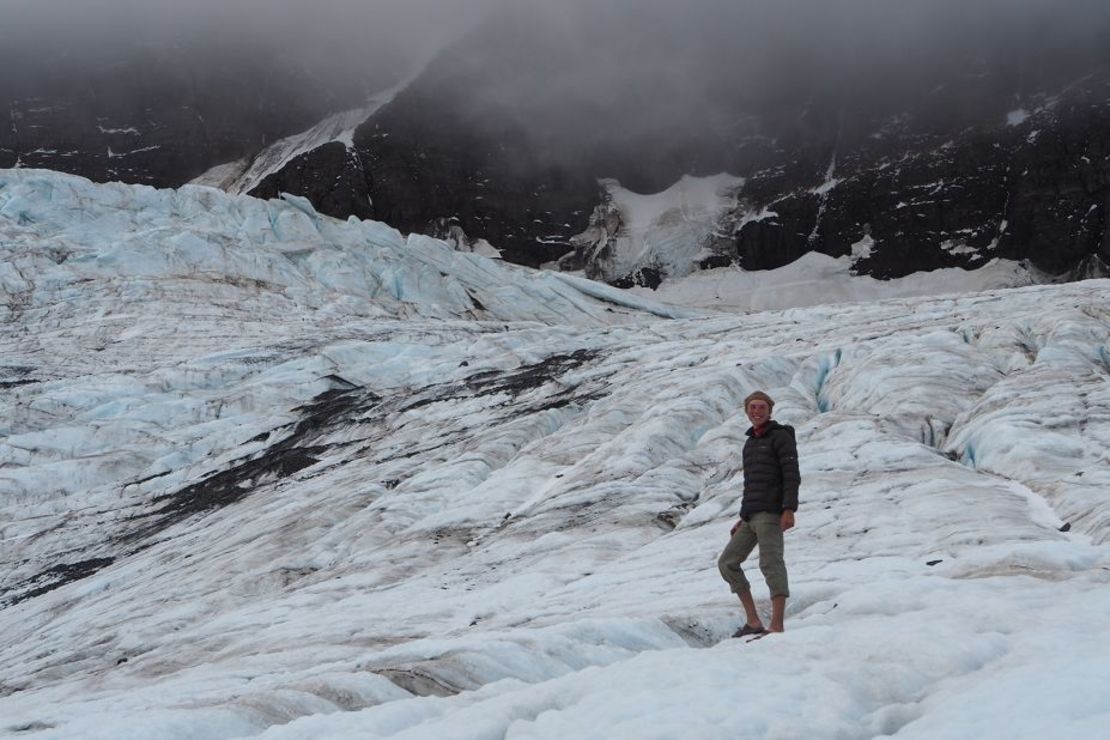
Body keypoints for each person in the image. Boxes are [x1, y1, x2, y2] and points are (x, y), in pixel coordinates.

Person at [718, 390, 799, 635]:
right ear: (746, 411)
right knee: (727, 563)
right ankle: (753, 621)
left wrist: (788, 509)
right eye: (752, 407)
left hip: (771, 513)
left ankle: (777, 626)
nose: (756, 412)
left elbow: (791, 474)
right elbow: (751, 484)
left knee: (771, 563)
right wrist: (742, 517)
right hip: (751, 515)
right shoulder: (750, 442)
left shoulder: (781, 437)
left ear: (770, 410)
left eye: (761, 407)